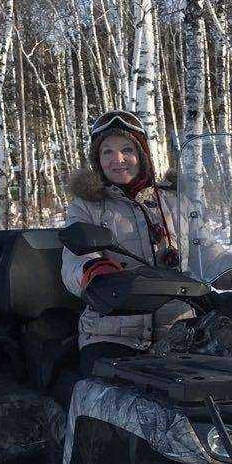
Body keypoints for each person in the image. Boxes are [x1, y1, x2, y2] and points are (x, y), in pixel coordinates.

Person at [61, 110, 184, 374]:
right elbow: (75, 260)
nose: (118, 159)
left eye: (127, 149)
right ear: (97, 159)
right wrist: (94, 272)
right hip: (112, 334)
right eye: (107, 152)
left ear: (142, 155)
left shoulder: (171, 201)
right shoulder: (87, 205)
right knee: (105, 400)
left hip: (179, 330)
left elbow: (206, 249)